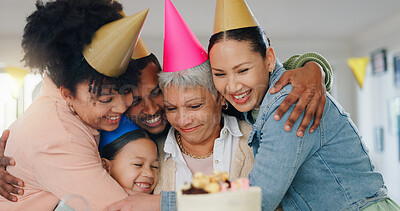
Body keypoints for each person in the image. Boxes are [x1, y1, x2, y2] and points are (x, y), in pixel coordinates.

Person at [207, 0, 400, 210]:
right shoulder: (253, 102)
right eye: (220, 74)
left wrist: (180, 201)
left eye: (243, 70)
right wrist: (312, 64)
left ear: (269, 59)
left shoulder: (289, 103)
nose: (232, 86)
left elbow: (259, 199)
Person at [0, 0, 150, 210]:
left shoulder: (62, 104)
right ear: (67, 93)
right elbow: (120, 207)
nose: (122, 107)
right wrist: (190, 199)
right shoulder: (58, 134)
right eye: (106, 99)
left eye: (126, 91)